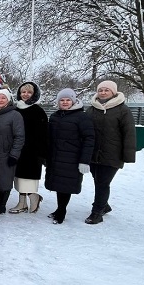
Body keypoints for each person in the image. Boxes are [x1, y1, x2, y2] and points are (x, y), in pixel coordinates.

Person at [84, 80, 136, 224]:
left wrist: (128, 155)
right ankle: (104, 205)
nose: (103, 92)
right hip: (93, 153)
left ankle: (97, 212)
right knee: (97, 180)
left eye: (107, 90)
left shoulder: (122, 110)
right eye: (101, 90)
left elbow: (129, 133)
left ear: (113, 92)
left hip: (112, 154)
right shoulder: (92, 108)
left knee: (102, 182)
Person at [45, 88, 95, 224]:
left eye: (68, 100)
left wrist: (85, 161)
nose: (65, 102)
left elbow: (89, 139)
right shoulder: (55, 116)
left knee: (65, 186)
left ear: (73, 101)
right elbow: (49, 138)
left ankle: (61, 211)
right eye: (62, 100)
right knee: (58, 184)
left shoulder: (81, 117)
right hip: (56, 157)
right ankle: (59, 209)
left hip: (71, 158)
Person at [10, 82, 49, 214]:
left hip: (33, 151)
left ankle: (34, 198)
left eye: (29, 92)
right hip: (17, 149)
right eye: (23, 92)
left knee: (28, 179)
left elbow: (44, 134)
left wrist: (42, 153)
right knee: (18, 178)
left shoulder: (38, 111)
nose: (25, 95)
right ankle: (22, 203)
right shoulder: (16, 109)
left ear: (34, 94)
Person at [0, 89, 25, 215]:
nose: (0, 100)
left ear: (8, 100)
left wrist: (14, 154)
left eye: (3, 98)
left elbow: (19, 136)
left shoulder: (15, 115)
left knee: (5, 179)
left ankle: (2, 205)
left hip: (7, 152)